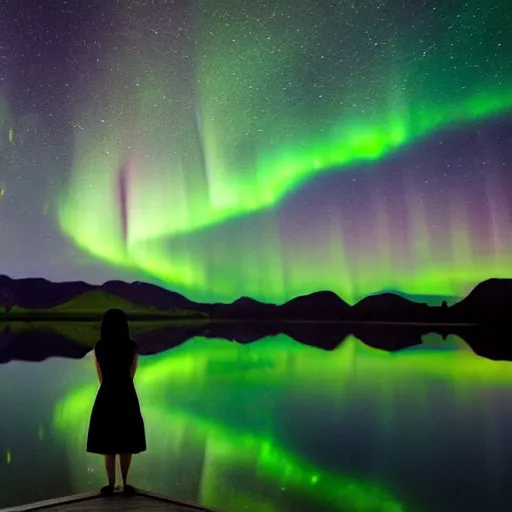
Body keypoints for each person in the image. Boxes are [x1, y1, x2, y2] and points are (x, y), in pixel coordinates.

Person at [86, 309, 147, 496]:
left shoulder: (100, 346)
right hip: (126, 394)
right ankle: (126, 483)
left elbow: (100, 377)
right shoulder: (131, 346)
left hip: (107, 394)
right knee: (126, 441)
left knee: (108, 443)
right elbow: (132, 373)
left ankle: (111, 485)